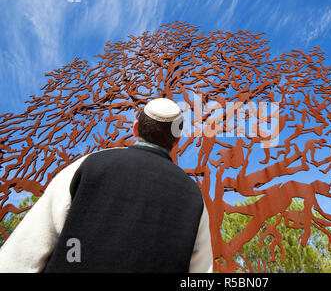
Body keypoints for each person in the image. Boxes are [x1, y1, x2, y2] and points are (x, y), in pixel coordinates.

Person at [0, 98, 213, 273]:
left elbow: (24, 254)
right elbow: (202, 271)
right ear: (176, 140)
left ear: (135, 128)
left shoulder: (90, 164)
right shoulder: (193, 196)